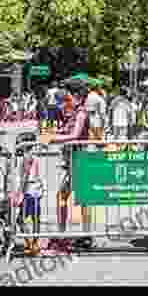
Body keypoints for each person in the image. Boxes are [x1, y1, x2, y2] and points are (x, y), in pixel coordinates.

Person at [39, 79, 93, 250]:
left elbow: (76, 135)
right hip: (72, 159)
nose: (65, 97)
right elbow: (68, 131)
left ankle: (85, 235)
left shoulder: (82, 113)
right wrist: (53, 132)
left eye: (68, 93)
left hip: (80, 159)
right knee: (64, 197)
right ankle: (68, 234)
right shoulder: (75, 112)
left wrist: (52, 138)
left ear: (76, 95)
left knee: (80, 199)